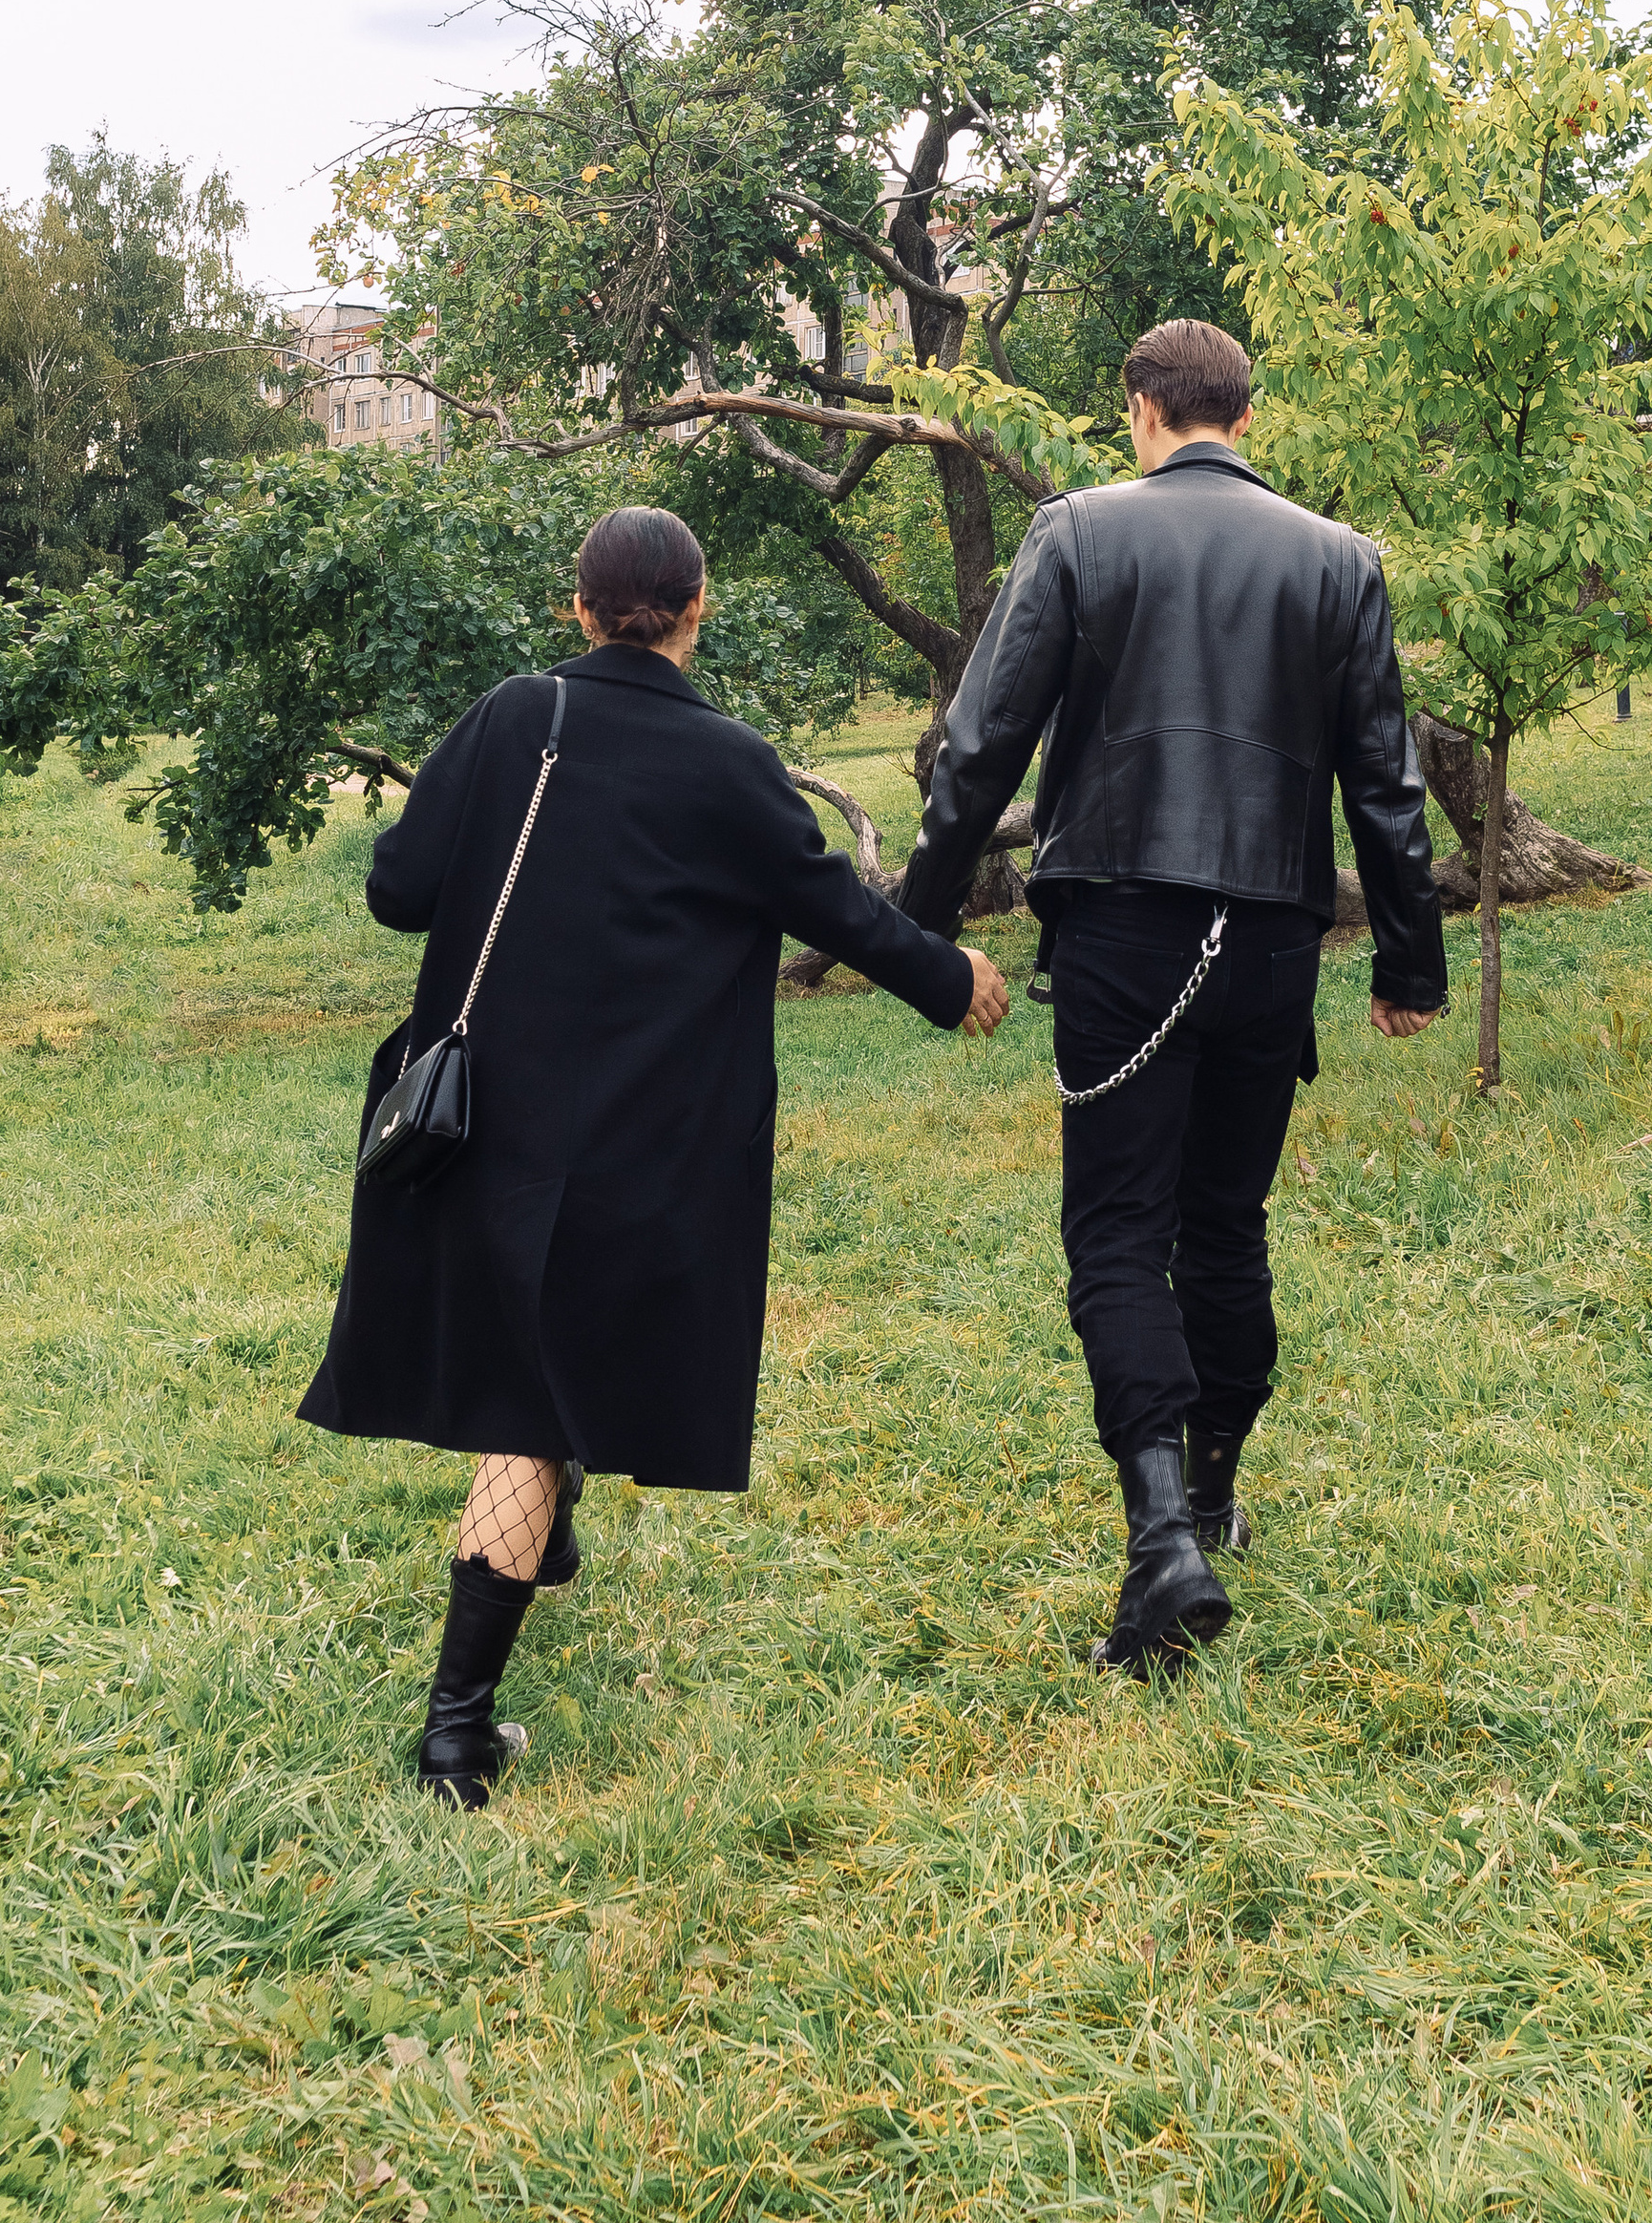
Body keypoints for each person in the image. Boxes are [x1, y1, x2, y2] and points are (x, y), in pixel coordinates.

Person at [300, 502, 1008, 1803]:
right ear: (700, 608)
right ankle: (458, 1733)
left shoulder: (516, 715)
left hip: (482, 1124)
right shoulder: (731, 763)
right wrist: (949, 978)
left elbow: (399, 890)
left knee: (532, 1366)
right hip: (641, 1146)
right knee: (526, 1409)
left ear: (578, 608)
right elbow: (839, 912)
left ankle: (538, 1543)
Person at [898, 319, 1445, 1675]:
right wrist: (1410, 961)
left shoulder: (1079, 533)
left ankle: (1163, 1541)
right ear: (1241, 413)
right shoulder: (1342, 560)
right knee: (1227, 1224)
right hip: (1267, 934)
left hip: (1125, 933)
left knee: (1119, 1231)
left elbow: (983, 744)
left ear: (1142, 409)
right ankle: (1210, 1492)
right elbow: (1386, 780)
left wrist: (911, 920)